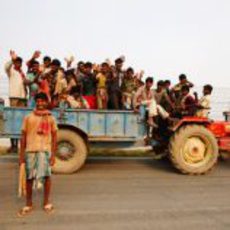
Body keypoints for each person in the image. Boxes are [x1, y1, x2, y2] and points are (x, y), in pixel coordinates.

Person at [18, 92, 58, 217]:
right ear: (36, 102)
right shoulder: (28, 117)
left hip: (45, 151)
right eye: (38, 101)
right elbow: (23, 137)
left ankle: (46, 202)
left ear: (46, 102)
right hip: (30, 151)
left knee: (47, 177)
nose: (40, 103)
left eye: (43, 101)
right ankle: (29, 203)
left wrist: (53, 155)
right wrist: (21, 156)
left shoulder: (51, 118)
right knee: (29, 178)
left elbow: (55, 137)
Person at [5, 50, 27, 152]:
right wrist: (12, 60)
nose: (18, 64)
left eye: (19, 62)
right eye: (16, 62)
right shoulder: (11, 71)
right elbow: (6, 67)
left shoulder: (22, 73)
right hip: (14, 97)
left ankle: (17, 145)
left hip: (23, 98)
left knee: (20, 122)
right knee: (13, 121)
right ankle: (12, 145)